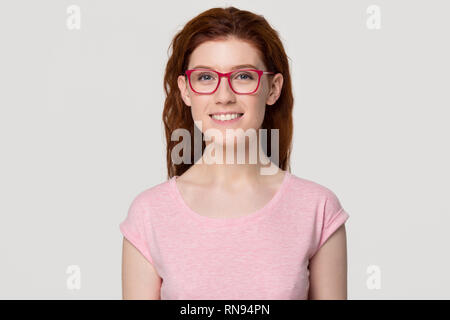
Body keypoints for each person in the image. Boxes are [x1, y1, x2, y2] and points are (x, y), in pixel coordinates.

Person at [120, 6, 349, 300]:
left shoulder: (318, 209)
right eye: (205, 78)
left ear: (272, 89)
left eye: (243, 76)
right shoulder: (148, 215)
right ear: (186, 90)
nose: (224, 96)